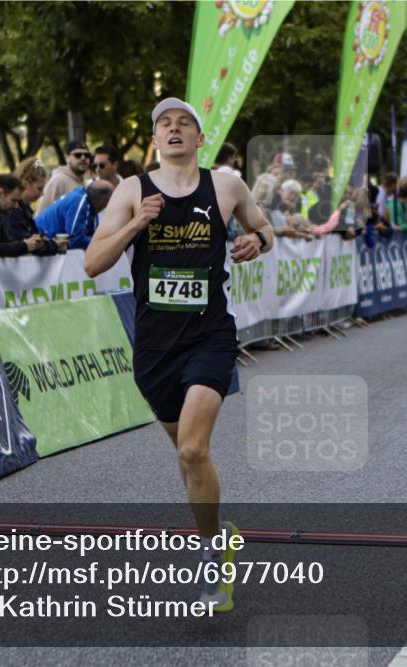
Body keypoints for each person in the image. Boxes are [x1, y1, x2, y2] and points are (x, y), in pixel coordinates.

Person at [85, 97, 275, 614]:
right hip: (153, 347)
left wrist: (257, 240)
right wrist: (133, 226)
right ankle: (222, 533)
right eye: (163, 124)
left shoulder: (227, 185)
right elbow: (92, 264)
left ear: (198, 137)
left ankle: (213, 557)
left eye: (183, 123)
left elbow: (267, 230)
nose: (173, 130)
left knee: (193, 450)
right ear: (153, 140)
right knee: (187, 455)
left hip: (210, 335)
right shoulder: (131, 190)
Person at [4, 157, 62, 255]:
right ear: (26, 183)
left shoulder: (23, 209)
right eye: (39, 189)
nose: (42, 194)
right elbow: (30, 244)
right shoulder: (14, 210)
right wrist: (54, 245)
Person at [35, 180, 113, 249]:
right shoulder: (79, 200)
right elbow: (75, 240)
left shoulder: (91, 205)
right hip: (38, 240)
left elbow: (94, 235)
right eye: (108, 202)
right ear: (102, 200)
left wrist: (101, 241)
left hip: (49, 245)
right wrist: (102, 243)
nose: (106, 206)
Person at [37, 140, 91, 213]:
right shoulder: (58, 181)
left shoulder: (85, 183)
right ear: (67, 157)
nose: (83, 158)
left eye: (87, 155)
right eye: (78, 155)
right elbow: (42, 214)